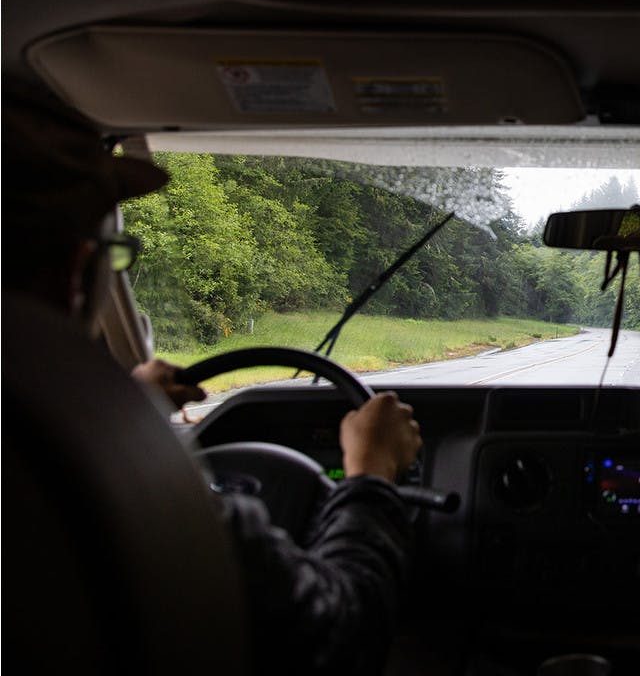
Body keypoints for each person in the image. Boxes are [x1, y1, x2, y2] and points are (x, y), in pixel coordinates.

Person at [2, 94, 422, 674]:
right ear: (77, 272)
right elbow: (339, 634)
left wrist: (133, 410)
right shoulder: (147, 511)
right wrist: (372, 475)